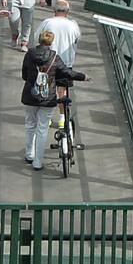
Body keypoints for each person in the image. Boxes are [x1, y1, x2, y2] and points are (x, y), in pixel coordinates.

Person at [21, 30, 87, 171]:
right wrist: (83, 76)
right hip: (47, 98)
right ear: (51, 42)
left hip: (30, 95)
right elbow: (67, 72)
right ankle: (38, 162)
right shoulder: (54, 57)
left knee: (30, 125)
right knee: (42, 129)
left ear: (39, 40)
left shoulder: (30, 54)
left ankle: (29, 154)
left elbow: (24, 74)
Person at [35, 0, 81, 68]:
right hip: (66, 64)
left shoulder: (47, 22)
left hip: (48, 63)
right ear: (67, 11)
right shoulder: (73, 25)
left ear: (54, 9)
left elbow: (36, 38)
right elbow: (77, 39)